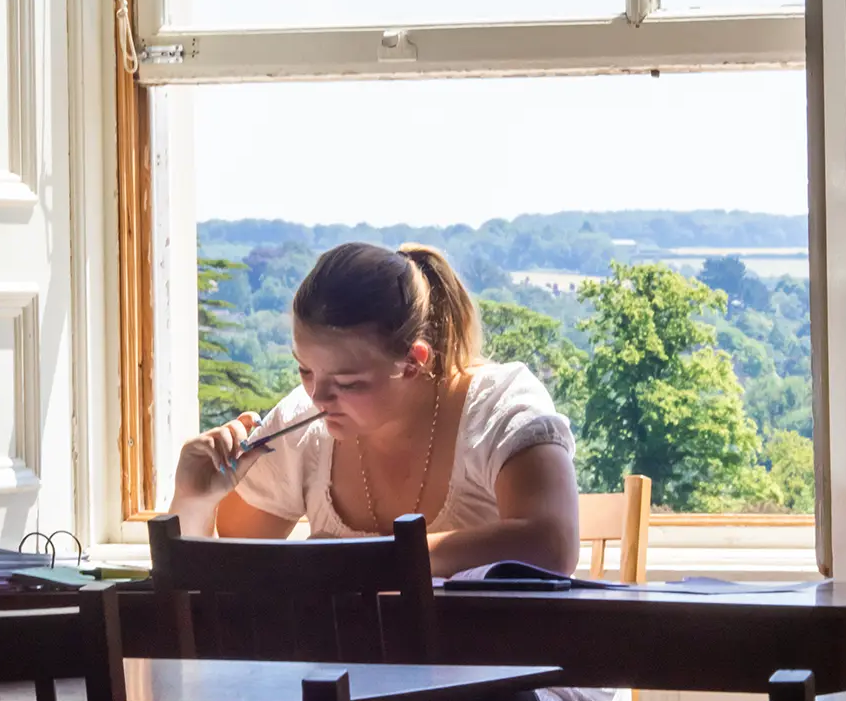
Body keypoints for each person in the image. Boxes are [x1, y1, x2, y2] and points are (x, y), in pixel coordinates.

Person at [167, 241, 581, 579]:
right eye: (305, 369)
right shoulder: (301, 425)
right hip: (362, 677)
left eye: (348, 383)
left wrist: (361, 560)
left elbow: (551, 546)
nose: (319, 398)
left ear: (414, 360)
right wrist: (193, 499)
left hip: (506, 669)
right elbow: (233, 567)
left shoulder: (497, 407)